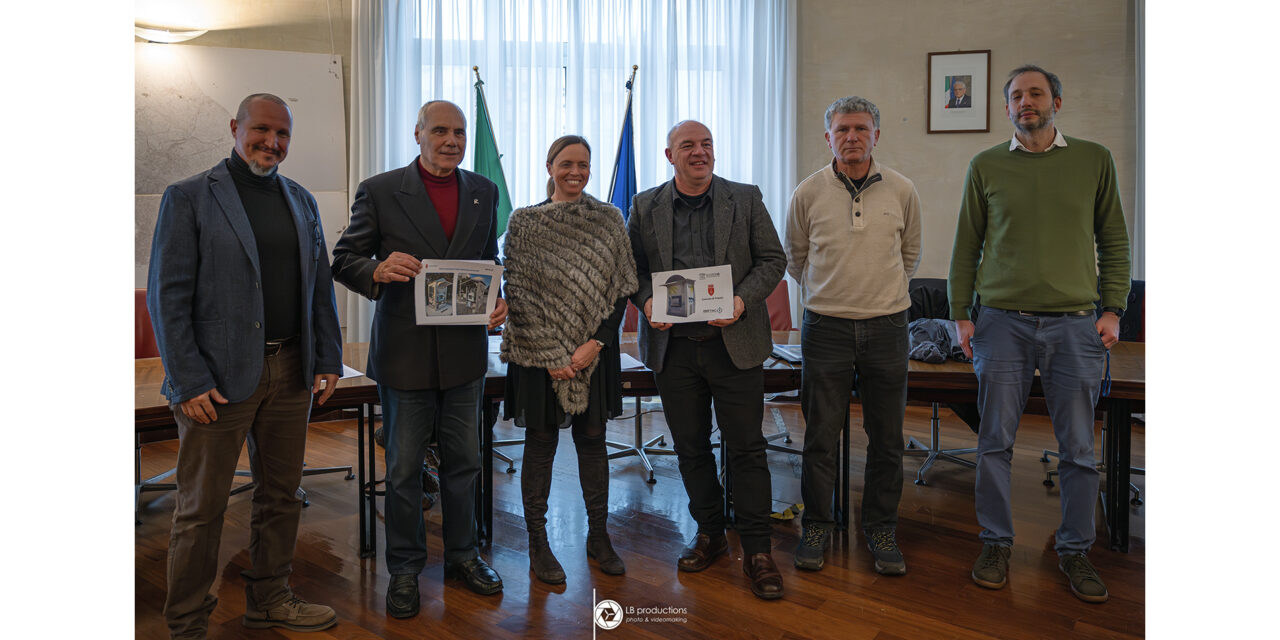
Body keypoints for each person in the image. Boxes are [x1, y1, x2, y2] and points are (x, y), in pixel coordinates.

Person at [146, 93, 343, 638]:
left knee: (281, 496)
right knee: (200, 509)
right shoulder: (188, 196)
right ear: (236, 127)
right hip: (215, 382)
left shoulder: (301, 200)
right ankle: (187, 623)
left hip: (292, 372)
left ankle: (271, 599)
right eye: (261, 130)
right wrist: (187, 379)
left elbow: (319, 286)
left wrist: (328, 356)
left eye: (283, 134)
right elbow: (167, 296)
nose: (271, 143)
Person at [948, 64, 1131, 604]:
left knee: (1078, 448)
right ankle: (995, 543)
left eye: (1036, 93)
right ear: (1006, 107)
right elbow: (966, 246)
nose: (1025, 102)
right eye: (1016, 96)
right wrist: (961, 314)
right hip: (1000, 322)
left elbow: (1114, 241)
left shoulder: (1094, 160)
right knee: (993, 442)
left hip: (1075, 323)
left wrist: (1113, 309)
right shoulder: (985, 165)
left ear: (1057, 102)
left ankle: (1075, 549)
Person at [331, 100, 509, 617]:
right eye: (440, 131)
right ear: (418, 134)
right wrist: (377, 269)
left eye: (459, 132)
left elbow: (488, 260)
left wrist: (498, 297)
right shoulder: (380, 190)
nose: (451, 140)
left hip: (464, 355)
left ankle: (463, 556)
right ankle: (405, 569)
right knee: (405, 470)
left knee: (466, 463)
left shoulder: (484, 190)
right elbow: (344, 259)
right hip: (405, 354)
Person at [627, 120, 787, 600]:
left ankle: (758, 550)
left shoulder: (746, 198)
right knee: (690, 448)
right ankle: (710, 533)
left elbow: (772, 260)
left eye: (707, 144)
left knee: (746, 448)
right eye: (688, 146)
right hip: (673, 349)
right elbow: (631, 269)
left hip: (733, 344)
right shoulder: (645, 205)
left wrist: (740, 301)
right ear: (669, 155)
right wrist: (647, 301)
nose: (700, 152)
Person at [784, 96, 922, 576]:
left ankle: (881, 528)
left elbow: (910, 254)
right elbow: (796, 258)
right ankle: (817, 526)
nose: (852, 137)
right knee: (820, 437)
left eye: (861, 128)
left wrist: (879, 295)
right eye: (842, 129)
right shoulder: (807, 192)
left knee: (887, 439)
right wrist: (831, 295)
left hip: (888, 326)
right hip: (826, 328)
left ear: (876, 135)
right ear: (828, 137)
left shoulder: (903, 190)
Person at [500, 135, 638, 584]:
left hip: (594, 355)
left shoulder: (609, 219)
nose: (575, 172)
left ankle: (599, 536)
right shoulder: (525, 222)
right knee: (540, 444)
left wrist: (596, 343)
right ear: (550, 167)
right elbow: (517, 294)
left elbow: (621, 288)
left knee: (593, 441)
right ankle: (538, 543)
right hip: (538, 356)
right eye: (566, 164)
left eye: (583, 164)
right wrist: (552, 355)